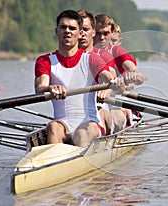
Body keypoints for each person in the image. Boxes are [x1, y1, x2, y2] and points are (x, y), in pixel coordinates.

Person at [34, 10, 125, 147]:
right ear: (56, 31)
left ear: (80, 33)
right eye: (63, 27)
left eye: (72, 28)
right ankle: (52, 163)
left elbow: (111, 80)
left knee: (81, 133)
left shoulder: (91, 59)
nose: (67, 31)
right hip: (62, 124)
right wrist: (50, 88)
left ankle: (75, 162)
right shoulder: (45, 61)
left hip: (90, 123)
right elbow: (40, 88)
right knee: (53, 126)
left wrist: (115, 84)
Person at [94, 14, 144, 132]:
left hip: (114, 101)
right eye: (98, 33)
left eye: (105, 34)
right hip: (91, 101)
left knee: (115, 118)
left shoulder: (116, 52)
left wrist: (133, 74)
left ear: (111, 34)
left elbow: (140, 77)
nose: (101, 38)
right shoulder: (84, 51)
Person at [78, 9, 116, 135]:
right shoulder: (61, 58)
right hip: (72, 111)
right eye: (78, 29)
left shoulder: (103, 56)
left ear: (92, 32)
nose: (81, 33)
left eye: (85, 29)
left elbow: (113, 81)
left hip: (98, 107)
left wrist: (107, 90)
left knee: (100, 111)